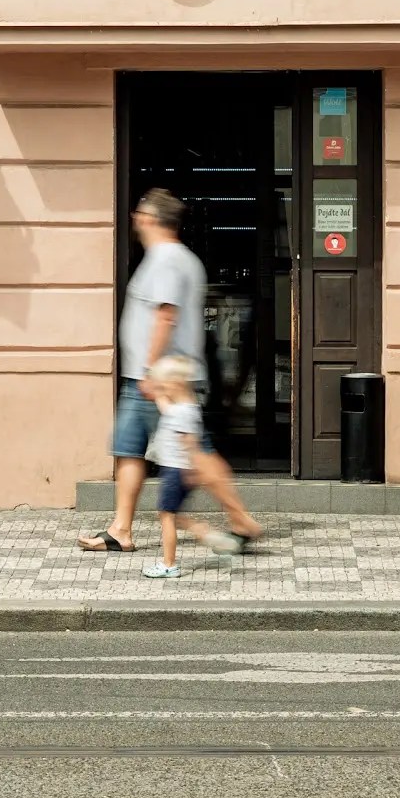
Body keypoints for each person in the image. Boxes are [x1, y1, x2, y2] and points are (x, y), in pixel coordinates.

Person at [78, 188, 261, 553]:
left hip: (162, 378)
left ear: (151, 218)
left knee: (195, 452)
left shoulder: (167, 259)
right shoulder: (168, 258)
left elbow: (165, 314)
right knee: (128, 448)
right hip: (148, 376)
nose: (134, 217)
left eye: (139, 212)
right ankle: (121, 529)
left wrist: (149, 371)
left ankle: (242, 520)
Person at [142, 354, 242, 579]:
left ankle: (169, 565)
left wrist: (192, 470)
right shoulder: (186, 407)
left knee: (167, 517)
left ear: (175, 384)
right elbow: (166, 406)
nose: (160, 388)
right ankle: (203, 532)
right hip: (177, 470)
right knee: (171, 514)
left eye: (162, 384)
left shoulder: (182, 413)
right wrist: (155, 388)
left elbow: (191, 444)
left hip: (177, 471)